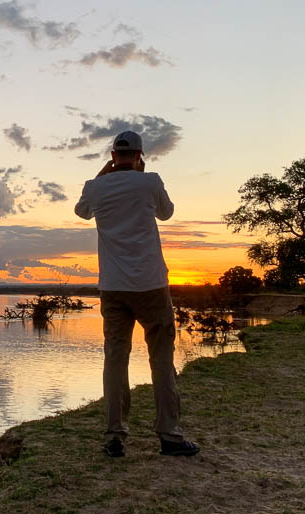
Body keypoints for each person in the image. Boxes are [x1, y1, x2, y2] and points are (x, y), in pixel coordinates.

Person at [74, 130, 199, 458]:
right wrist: (140, 176)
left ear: (112, 155)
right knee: (161, 359)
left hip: (113, 288)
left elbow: (81, 211)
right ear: (140, 155)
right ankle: (169, 435)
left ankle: (115, 435)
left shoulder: (95, 187)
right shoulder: (151, 181)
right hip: (152, 286)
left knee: (115, 360)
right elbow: (166, 213)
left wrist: (102, 175)